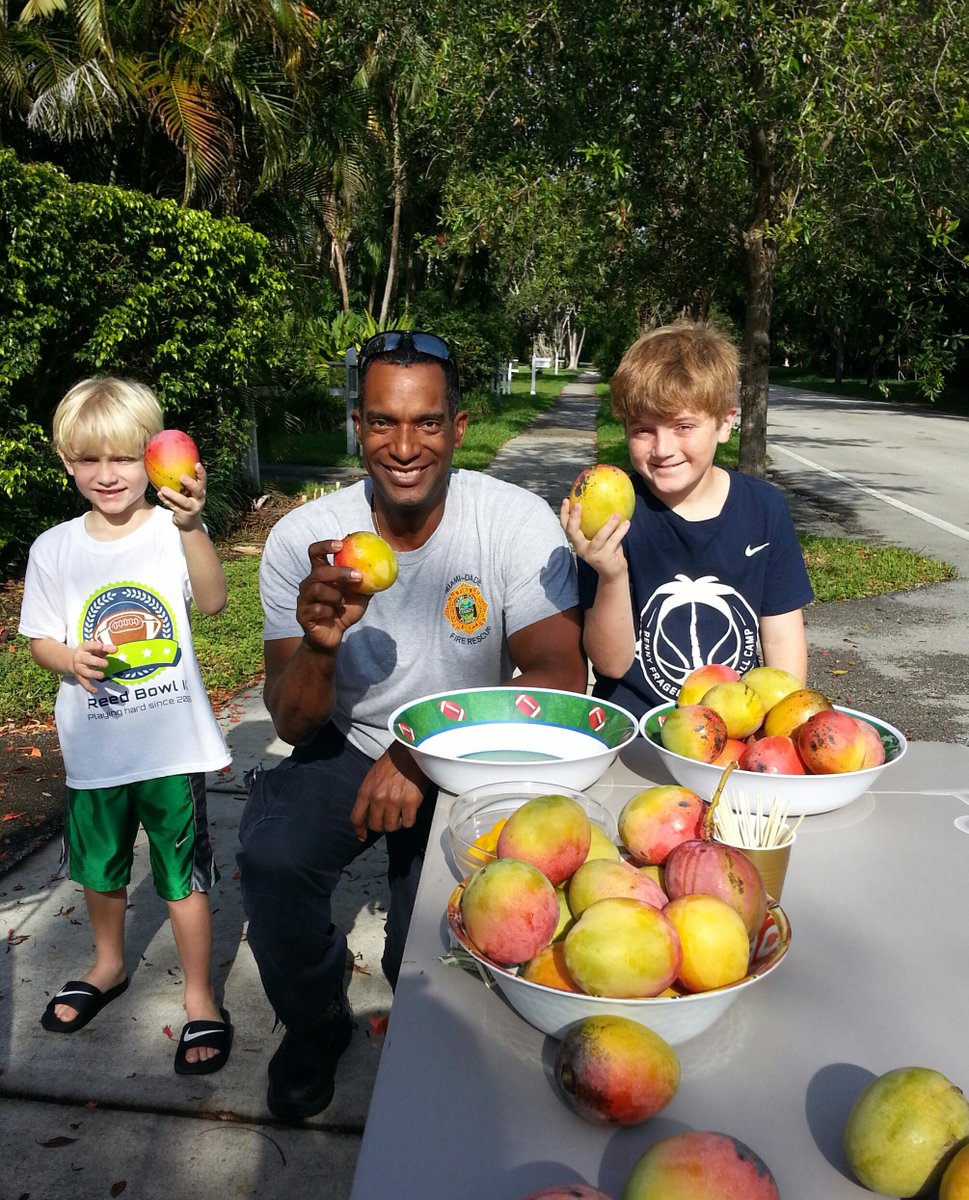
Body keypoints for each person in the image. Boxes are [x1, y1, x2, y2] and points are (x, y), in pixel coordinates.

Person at [238, 329, 586, 1121]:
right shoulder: (306, 540)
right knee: (271, 858)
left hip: (468, 753)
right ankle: (317, 1018)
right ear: (357, 425)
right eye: (383, 423)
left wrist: (422, 755)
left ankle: (433, 1035)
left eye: (426, 422)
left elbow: (561, 674)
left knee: (422, 951)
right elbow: (291, 720)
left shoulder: (511, 523)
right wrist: (322, 646)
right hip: (349, 743)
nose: (404, 446)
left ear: (458, 428)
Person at [18, 377, 234, 1075]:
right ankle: (108, 964)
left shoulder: (172, 531)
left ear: (152, 459)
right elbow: (40, 640)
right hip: (95, 747)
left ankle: (201, 998)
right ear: (66, 464)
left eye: (122, 458)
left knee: (182, 878)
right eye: (88, 460)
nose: (107, 475)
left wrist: (193, 525)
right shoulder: (54, 547)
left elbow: (213, 601)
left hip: (169, 748)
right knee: (101, 872)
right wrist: (68, 657)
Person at [560, 320, 813, 721]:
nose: (663, 449)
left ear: (726, 422)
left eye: (683, 426)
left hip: (732, 731)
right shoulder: (614, 517)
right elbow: (610, 664)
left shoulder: (764, 509)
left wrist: (782, 722)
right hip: (637, 730)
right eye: (643, 430)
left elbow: (782, 637)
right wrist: (609, 574)